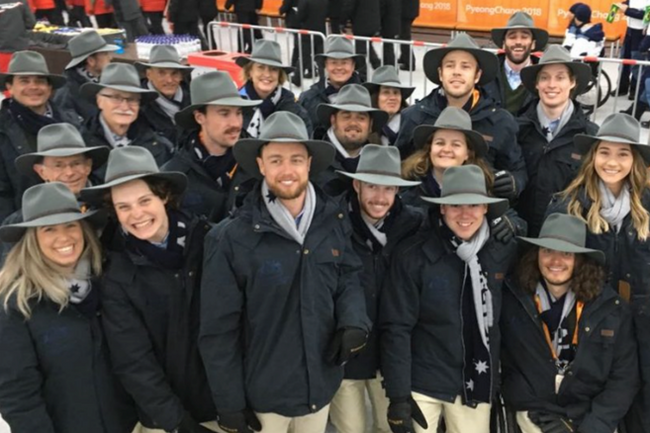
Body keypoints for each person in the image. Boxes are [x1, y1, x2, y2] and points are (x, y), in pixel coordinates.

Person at [199, 111, 370, 433]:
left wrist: (354, 320)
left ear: (309, 164)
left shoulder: (332, 220)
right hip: (263, 400)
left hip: (319, 388)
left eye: (296, 160)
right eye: (276, 160)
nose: (287, 170)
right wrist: (229, 403)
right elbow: (218, 332)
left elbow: (348, 275)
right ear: (261, 165)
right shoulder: (230, 239)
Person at [80, 146, 219, 433]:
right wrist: (177, 422)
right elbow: (133, 361)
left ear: (164, 196)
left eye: (144, 200)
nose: (137, 214)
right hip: (166, 420)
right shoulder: (115, 273)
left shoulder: (209, 241)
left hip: (224, 407)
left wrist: (234, 401)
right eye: (123, 207)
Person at [380, 164, 518, 433]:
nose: (465, 214)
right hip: (423, 380)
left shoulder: (503, 251)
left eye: (473, 205)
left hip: (477, 379)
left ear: (485, 208)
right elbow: (396, 327)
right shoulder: (414, 255)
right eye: (455, 205)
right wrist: (398, 396)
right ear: (442, 208)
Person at [0, 182, 137, 433]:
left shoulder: (109, 281)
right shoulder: (16, 304)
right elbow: (17, 393)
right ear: (32, 240)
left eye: (70, 225)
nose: (63, 237)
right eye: (49, 229)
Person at [548, 112, 650, 432]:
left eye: (623, 154)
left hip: (642, 324)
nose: (612, 162)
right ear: (593, 156)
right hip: (590, 324)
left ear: (634, 160)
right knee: (592, 410)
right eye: (604, 152)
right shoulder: (568, 205)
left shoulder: (647, 206)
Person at [500, 213, 639, 433]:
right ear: (536, 255)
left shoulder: (610, 309)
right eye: (547, 251)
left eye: (566, 253)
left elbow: (624, 379)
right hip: (534, 415)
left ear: (580, 260)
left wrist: (587, 426)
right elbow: (506, 367)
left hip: (591, 419)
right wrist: (535, 409)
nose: (555, 261)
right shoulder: (514, 300)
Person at [329, 144, 422, 433]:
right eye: (372, 186)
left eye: (388, 189)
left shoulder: (414, 223)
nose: (380, 197)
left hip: (394, 354)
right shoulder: (332, 221)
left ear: (398, 191)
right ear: (356, 185)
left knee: (389, 426)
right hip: (346, 353)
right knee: (351, 428)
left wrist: (510, 223)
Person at [394, 33, 527, 205]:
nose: (456, 72)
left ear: (477, 75)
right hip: (421, 213)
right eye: (450, 65)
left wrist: (514, 183)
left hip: (474, 214)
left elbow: (518, 169)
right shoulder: (414, 117)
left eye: (465, 66)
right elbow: (397, 167)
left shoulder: (500, 122)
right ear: (440, 73)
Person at [400, 107, 526, 242]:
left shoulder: (482, 183)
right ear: (429, 149)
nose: (446, 149)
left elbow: (519, 223)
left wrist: (512, 225)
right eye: (440, 143)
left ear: (468, 153)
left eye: (456, 144)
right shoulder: (407, 185)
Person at [515, 45, 596, 237]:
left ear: (572, 82)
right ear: (537, 84)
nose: (551, 85)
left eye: (560, 78)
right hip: (520, 234)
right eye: (544, 78)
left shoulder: (590, 137)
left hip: (563, 238)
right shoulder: (516, 129)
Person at [163, 71, 261, 222]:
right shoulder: (174, 175)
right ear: (200, 117)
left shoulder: (258, 161)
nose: (236, 123)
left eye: (239, 113)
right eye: (224, 114)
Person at [0, 51, 79, 222]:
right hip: (24, 222)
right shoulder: (3, 129)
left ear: (49, 87)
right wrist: (12, 231)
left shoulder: (72, 122)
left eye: (40, 80)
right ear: (9, 87)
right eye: (24, 81)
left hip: (74, 216)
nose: (33, 86)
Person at [80, 62, 174, 170]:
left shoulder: (159, 145)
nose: (125, 107)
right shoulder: (80, 145)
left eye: (132, 99)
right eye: (116, 98)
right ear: (99, 101)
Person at [315, 84, 388, 196]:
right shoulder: (314, 163)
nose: (353, 123)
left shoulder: (381, 165)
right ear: (333, 120)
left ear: (370, 124)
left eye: (361, 118)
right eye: (346, 116)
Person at [236, 39, 313, 137]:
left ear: (279, 75)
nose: (267, 74)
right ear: (250, 72)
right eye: (261, 67)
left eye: (274, 69)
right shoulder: (235, 105)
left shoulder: (295, 112)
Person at [298, 36, 364, 139]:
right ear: (325, 65)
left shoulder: (366, 98)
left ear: (353, 65)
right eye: (333, 62)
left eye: (344, 62)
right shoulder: (308, 98)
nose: (339, 67)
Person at [486, 11, 549, 116]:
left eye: (524, 37)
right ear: (503, 43)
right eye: (512, 37)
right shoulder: (487, 74)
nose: (518, 42)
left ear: (533, 44)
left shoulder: (545, 76)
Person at [54, 30, 119, 121]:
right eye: (105, 54)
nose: (110, 58)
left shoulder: (102, 80)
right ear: (91, 61)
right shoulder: (68, 91)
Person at [135, 45, 194, 144]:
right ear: (149, 74)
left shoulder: (193, 99)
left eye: (174, 73)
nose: (169, 80)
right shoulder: (138, 104)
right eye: (161, 73)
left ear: (181, 76)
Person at [363, 65, 415, 146]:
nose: (392, 98)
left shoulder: (412, 125)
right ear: (376, 97)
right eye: (386, 92)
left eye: (396, 93)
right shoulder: (363, 126)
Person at [0, 0, 35, 74]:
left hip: (2, 48)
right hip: (19, 47)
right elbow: (31, 23)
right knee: (19, 75)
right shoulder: (22, 1)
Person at [397, 0, 419, 71]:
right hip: (410, 9)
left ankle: (409, 63)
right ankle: (404, 57)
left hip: (405, 11)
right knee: (403, 35)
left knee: (404, 37)